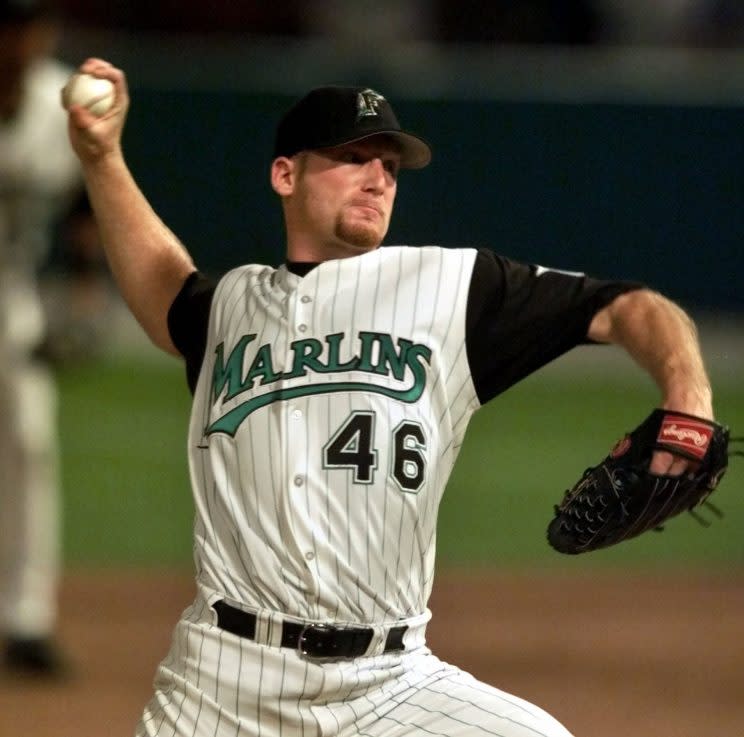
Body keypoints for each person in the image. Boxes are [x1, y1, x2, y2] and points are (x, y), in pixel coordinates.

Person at [65, 57, 714, 737]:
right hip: (221, 683)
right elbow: (161, 286)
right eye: (353, 156)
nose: (378, 176)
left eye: (390, 166)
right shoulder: (229, 304)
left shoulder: (450, 287)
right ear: (286, 173)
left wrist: (689, 399)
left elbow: (626, 306)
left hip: (389, 684)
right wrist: (102, 155)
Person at [0, 0, 93, 676]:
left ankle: (26, 617)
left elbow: (86, 214)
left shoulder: (60, 106)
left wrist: (79, 308)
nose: (22, 36)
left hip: (14, 298)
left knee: (29, 448)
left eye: (32, 23)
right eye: (11, 22)